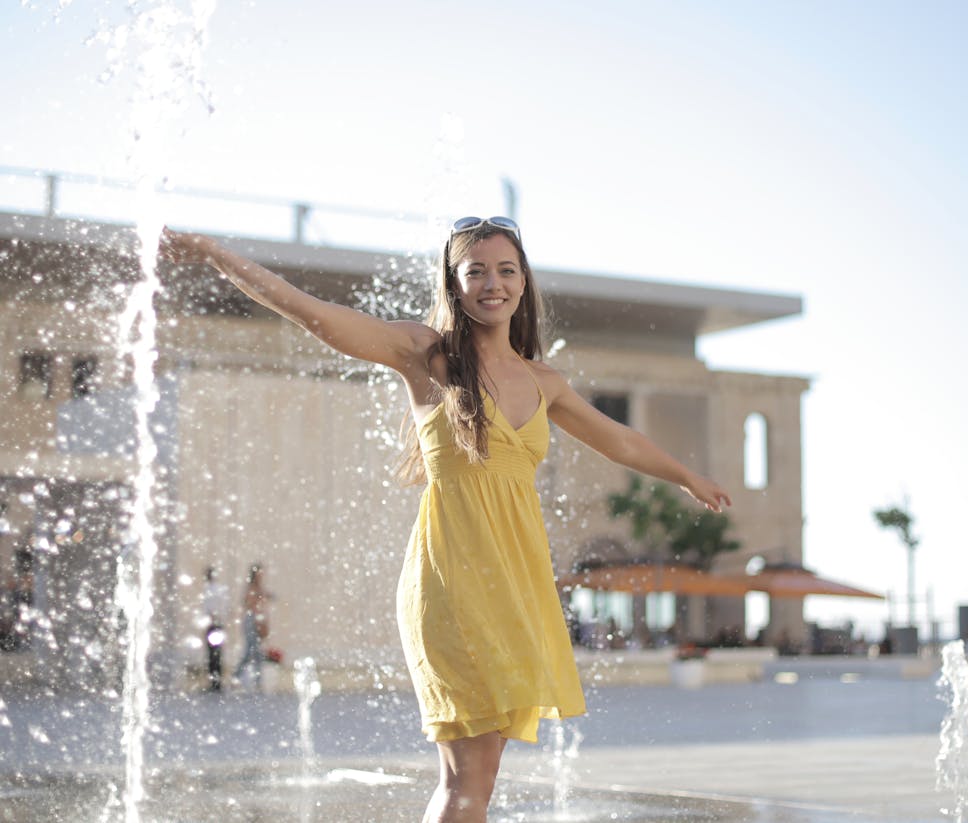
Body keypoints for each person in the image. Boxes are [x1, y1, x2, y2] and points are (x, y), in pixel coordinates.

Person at [160, 217, 731, 822]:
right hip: (452, 580)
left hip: (516, 585)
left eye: (506, 270)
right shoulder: (425, 355)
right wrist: (217, 255)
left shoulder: (545, 382)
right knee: (465, 782)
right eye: (476, 270)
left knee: (477, 781)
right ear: (454, 284)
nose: (493, 283)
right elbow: (315, 314)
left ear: (523, 282)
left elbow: (621, 441)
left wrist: (687, 477)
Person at [232, 562, 269, 691]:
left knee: (256, 652)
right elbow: (251, 605)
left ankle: (255, 680)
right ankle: (239, 677)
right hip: (251, 620)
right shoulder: (252, 588)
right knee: (251, 651)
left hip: (255, 619)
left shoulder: (258, 588)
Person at [201, 565, 229, 692]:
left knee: (212, 654)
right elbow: (224, 607)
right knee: (217, 653)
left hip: (212, 625)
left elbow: (207, 609)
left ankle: (214, 682)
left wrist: (212, 617)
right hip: (219, 625)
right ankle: (217, 682)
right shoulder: (219, 590)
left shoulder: (208, 590)